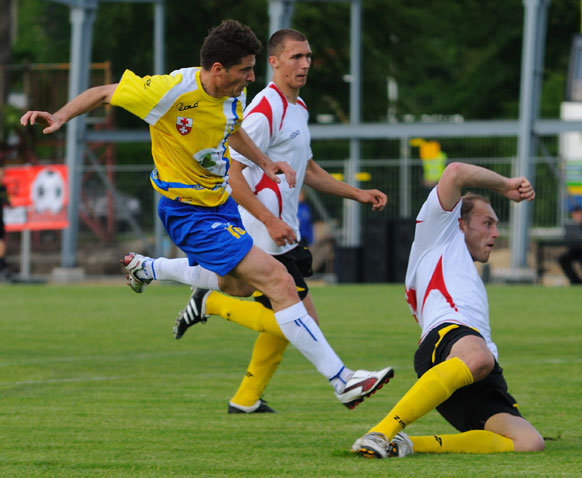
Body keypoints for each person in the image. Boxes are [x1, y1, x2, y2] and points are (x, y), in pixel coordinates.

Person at [20, 20, 392, 411]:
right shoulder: (171, 90)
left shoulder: (236, 96)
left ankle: (149, 269)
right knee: (279, 282)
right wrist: (61, 117)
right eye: (245, 69)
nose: (251, 77)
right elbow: (102, 93)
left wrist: (265, 163)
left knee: (239, 289)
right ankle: (342, 381)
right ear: (217, 69)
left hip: (221, 205)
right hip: (186, 211)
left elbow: (232, 131)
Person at [168, 28, 390, 414]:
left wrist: (356, 193)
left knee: (289, 315)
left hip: (283, 230)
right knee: (300, 318)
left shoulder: (298, 109)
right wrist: (268, 222)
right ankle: (211, 306)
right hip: (262, 232)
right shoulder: (264, 108)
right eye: (295, 57)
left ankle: (245, 399)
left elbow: (308, 169)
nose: (304, 64)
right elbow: (231, 173)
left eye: (308, 57)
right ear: (273, 62)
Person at [352, 162, 545, 458]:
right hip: (451, 342)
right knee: (479, 356)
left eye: (496, 225)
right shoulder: (439, 234)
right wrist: (505, 185)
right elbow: (455, 171)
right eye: (487, 223)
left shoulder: (463, 268)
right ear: (459, 223)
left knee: (528, 441)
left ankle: (405, 444)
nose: (495, 232)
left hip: (475, 362)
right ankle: (380, 431)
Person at [557, 205, 582, 284]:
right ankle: (575, 281)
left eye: (578, 214)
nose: (576, 216)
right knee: (563, 259)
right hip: (575, 250)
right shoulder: (572, 226)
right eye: (574, 214)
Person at [0, 164, 11, 281]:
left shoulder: (3, 189)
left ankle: (2, 268)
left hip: (0, 220)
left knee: (1, 243)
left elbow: (8, 203)